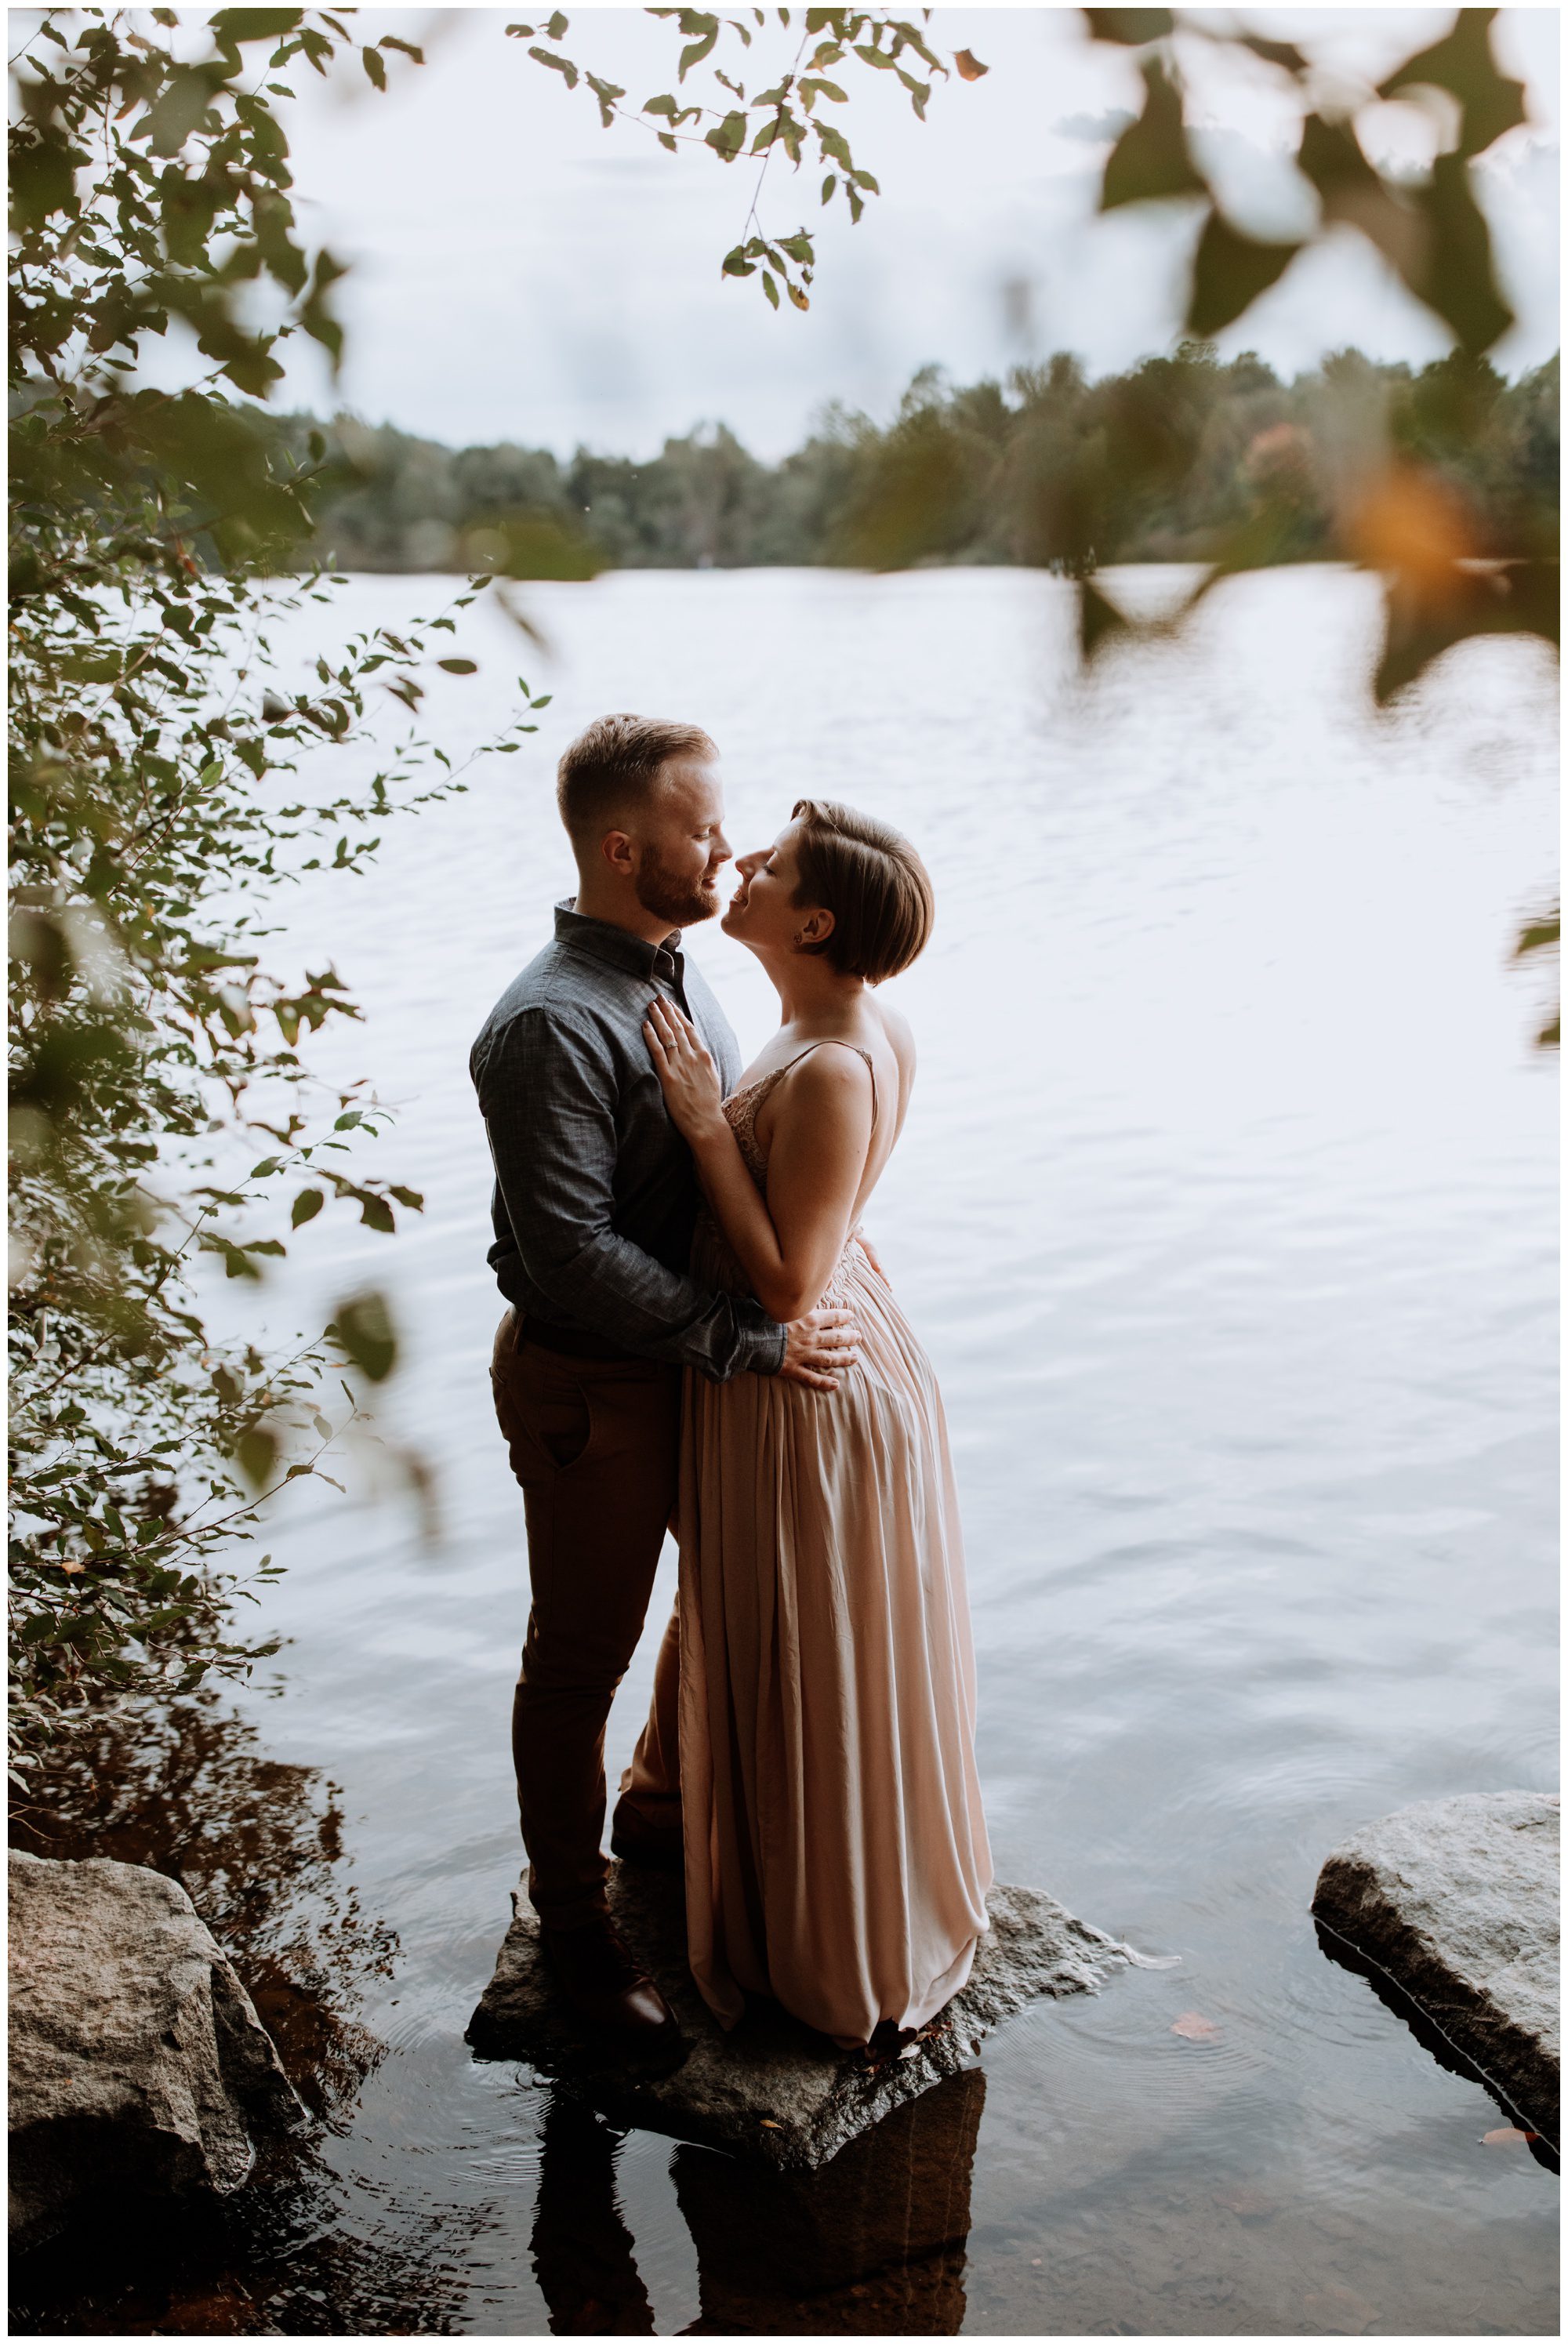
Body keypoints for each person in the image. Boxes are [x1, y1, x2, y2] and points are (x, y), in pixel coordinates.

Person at [470, 717, 860, 2054]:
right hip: (595, 1388)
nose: (728, 849)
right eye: (702, 829)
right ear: (625, 848)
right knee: (578, 1657)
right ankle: (574, 1930)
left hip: (686, 1367)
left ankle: (655, 1808)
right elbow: (570, 1256)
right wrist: (751, 1340)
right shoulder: (548, 1025)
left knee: (734, 1587)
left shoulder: (678, 975)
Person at [621, 798, 993, 2049]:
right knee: (799, 1635)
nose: (743, 863)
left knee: (802, 1643)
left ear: (816, 922)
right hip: (836, 1350)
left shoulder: (835, 1060)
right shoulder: (847, 1026)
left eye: (771, 865)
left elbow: (786, 1280)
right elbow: (830, 1217)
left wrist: (699, 1124)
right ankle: (705, 1829)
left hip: (799, 1381)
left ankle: (830, 1940)